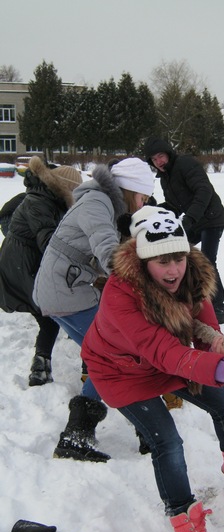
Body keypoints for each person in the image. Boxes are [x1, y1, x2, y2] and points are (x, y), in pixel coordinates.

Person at [81, 205, 224, 532]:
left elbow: (205, 329)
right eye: (161, 262)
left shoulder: (192, 276)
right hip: (119, 370)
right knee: (167, 442)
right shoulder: (120, 295)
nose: (173, 270)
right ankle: (187, 525)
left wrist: (218, 345)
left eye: (178, 259)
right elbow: (167, 353)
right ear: (142, 262)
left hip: (164, 359)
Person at [33, 157, 155, 462]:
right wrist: (146, 287)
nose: (143, 204)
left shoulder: (101, 202)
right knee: (121, 353)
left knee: (107, 358)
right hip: (66, 291)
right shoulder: (97, 203)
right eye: (143, 197)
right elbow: (108, 252)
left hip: (63, 289)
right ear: (129, 190)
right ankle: (144, 430)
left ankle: (83, 434)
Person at [0, 156, 82, 386]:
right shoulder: (39, 201)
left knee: (50, 315)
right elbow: (50, 240)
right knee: (52, 311)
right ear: (64, 188)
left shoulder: (49, 200)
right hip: (21, 265)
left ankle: (41, 363)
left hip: (29, 262)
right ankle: (44, 363)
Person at [144, 136, 224, 324]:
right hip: (194, 221)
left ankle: (218, 305)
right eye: (154, 160)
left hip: (212, 218)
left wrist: (190, 217)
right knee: (178, 253)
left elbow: (203, 191)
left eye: (161, 156)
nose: (159, 162)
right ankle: (189, 292)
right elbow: (174, 205)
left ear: (168, 153)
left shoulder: (186, 164)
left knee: (207, 259)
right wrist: (154, 209)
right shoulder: (165, 178)